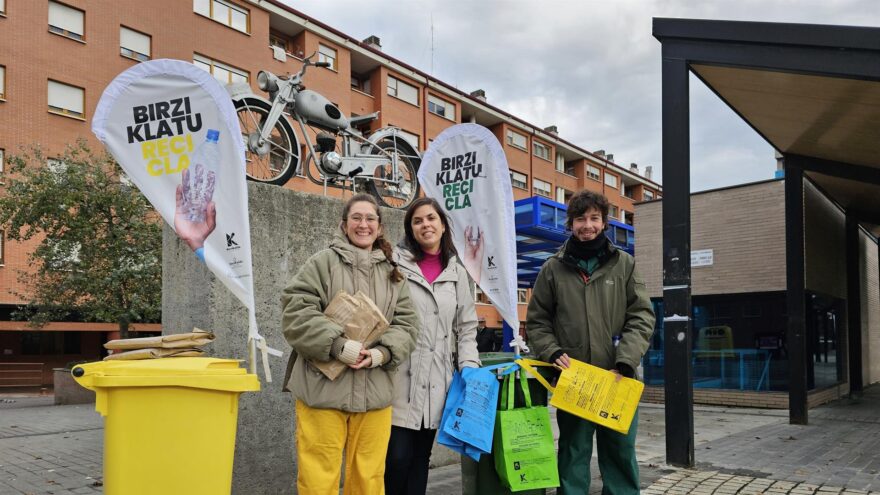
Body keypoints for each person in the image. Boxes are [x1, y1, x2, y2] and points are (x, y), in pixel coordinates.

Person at [281, 194, 419, 495]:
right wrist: (337, 345)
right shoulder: (322, 263)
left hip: (375, 393)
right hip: (322, 391)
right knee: (318, 480)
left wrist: (382, 353)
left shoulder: (394, 274)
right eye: (356, 217)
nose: (363, 224)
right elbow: (296, 311)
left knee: (369, 480)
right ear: (344, 224)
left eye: (370, 218)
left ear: (379, 227)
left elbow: (408, 324)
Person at [526, 190, 654, 495]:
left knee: (620, 453)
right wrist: (552, 351)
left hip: (617, 378)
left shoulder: (624, 264)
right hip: (574, 380)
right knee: (573, 452)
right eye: (581, 218)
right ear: (570, 223)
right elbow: (537, 321)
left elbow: (642, 316)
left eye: (594, 218)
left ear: (604, 222)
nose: (588, 225)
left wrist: (626, 359)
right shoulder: (552, 269)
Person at [385, 197, 480, 495]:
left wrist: (470, 367)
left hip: (438, 380)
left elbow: (465, 328)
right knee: (397, 456)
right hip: (400, 376)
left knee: (421, 458)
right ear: (410, 229)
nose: (425, 224)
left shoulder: (457, 273)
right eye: (417, 221)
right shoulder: (395, 265)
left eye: (431, 218)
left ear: (442, 225)